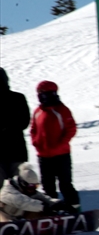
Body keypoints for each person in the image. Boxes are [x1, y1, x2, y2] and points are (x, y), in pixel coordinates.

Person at [29, 80, 80, 212]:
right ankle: (52, 211)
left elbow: (71, 129)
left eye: (41, 93)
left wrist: (60, 145)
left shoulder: (62, 110)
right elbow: (33, 129)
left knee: (65, 185)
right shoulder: (37, 111)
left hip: (61, 154)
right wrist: (36, 143)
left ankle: (74, 209)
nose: (39, 95)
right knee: (47, 187)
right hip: (43, 155)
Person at [0, 162, 70, 222]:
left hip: (19, 218)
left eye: (36, 186)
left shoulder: (27, 190)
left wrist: (58, 203)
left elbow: (43, 198)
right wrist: (45, 207)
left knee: (40, 209)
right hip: (5, 219)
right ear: (22, 183)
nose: (33, 189)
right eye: (31, 186)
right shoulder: (8, 191)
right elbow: (24, 202)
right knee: (36, 206)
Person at [0, 68, 31, 182]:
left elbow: (24, 122)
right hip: (17, 149)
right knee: (19, 186)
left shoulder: (18, 98)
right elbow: (24, 122)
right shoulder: (18, 98)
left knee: (3, 190)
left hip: (14, 150)